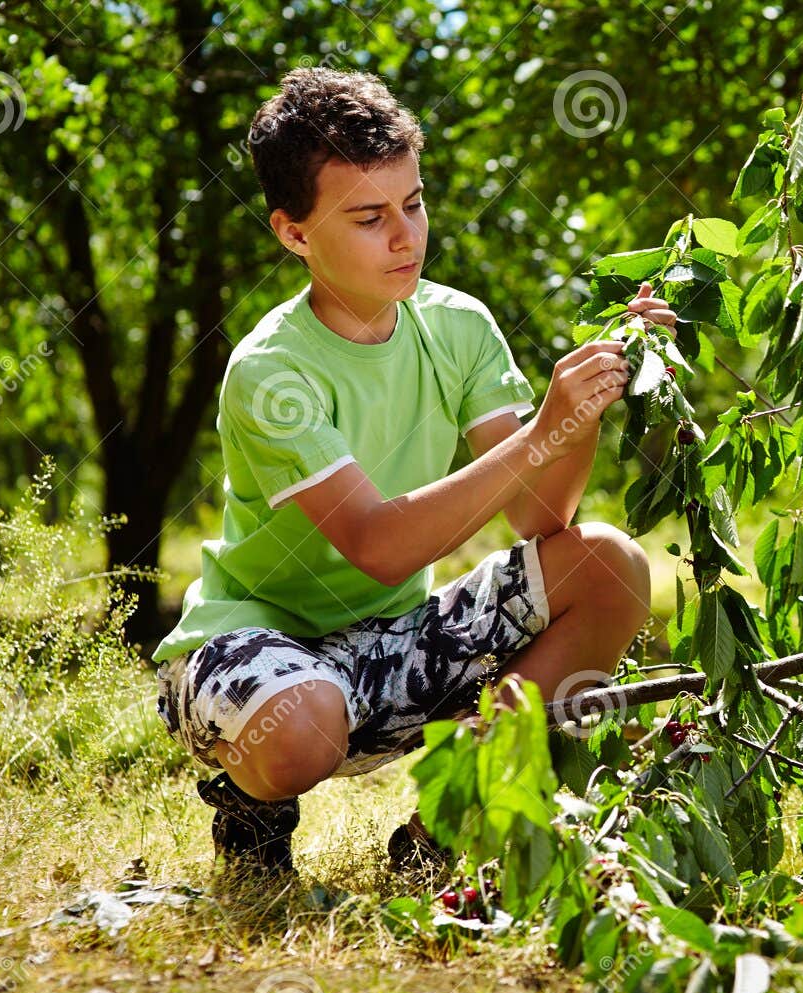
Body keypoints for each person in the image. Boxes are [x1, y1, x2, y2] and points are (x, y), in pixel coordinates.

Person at [152, 68, 671, 879]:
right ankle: (253, 811)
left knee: (611, 562)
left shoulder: (458, 325)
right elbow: (379, 543)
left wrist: (584, 402)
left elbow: (542, 517)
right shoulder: (271, 369)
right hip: (247, 652)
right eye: (367, 217)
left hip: (391, 649)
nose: (406, 237)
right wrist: (540, 432)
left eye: (414, 203)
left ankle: (447, 823)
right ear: (294, 234)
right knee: (302, 725)